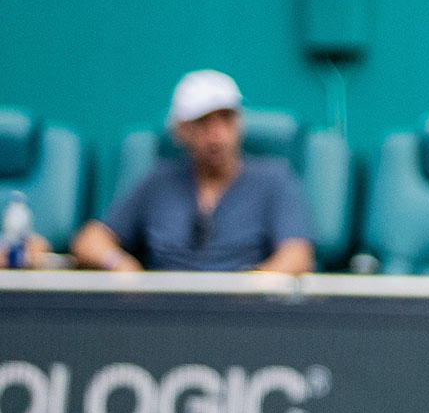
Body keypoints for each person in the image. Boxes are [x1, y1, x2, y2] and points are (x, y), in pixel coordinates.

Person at [72, 71, 312, 274]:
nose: (217, 135)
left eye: (227, 119)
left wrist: (254, 286)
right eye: (203, 122)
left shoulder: (274, 179)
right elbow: (90, 240)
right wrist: (120, 265)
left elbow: (297, 254)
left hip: (244, 316)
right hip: (165, 315)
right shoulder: (157, 181)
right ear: (180, 131)